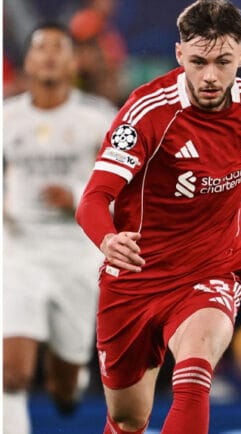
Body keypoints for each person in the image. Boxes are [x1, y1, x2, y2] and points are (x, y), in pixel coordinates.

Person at [74, 1, 241, 433]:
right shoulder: (147, 113)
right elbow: (92, 200)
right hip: (137, 277)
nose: (211, 76)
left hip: (211, 268)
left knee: (195, 372)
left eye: (222, 61)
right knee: (127, 418)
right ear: (180, 55)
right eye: (199, 62)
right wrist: (107, 239)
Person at [3, 22, 116, 434]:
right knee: (12, 373)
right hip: (19, 253)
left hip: (77, 256)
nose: (49, 55)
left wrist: (77, 195)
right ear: (28, 62)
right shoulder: (6, 118)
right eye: (41, 48)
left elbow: (128, 186)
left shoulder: (99, 118)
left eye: (59, 48)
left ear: (73, 62)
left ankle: (70, 379)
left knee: (64, 391)